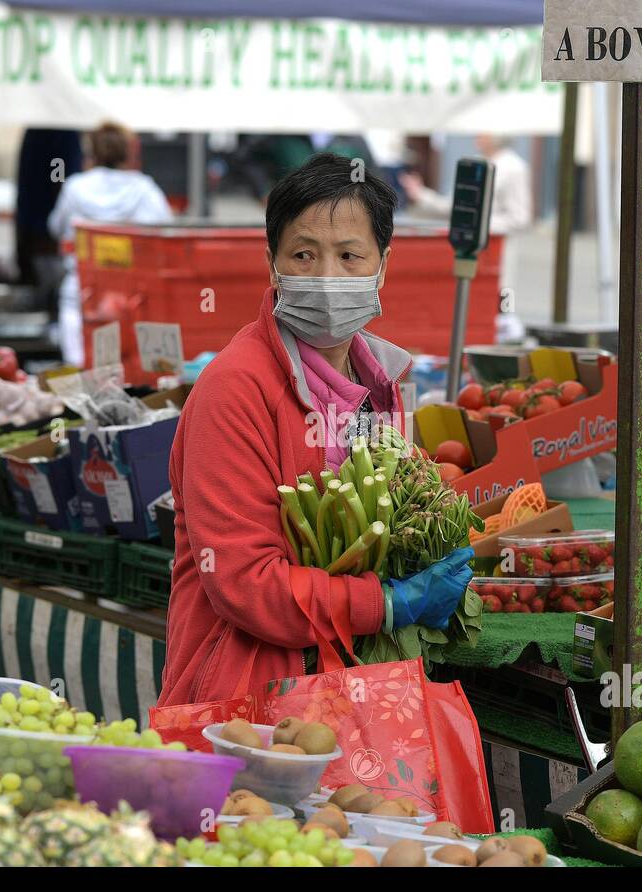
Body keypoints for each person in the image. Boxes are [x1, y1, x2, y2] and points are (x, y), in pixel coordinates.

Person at [159, 153, 474, 706]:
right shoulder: (234, 389)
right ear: (273, 263)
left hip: (350, 686)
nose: (327, 275)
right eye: (303, 254)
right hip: (249, 696)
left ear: (382, 264)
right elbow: (244, 583)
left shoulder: (379, 380)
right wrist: (389, 604)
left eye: (350, 255)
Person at [47, 123, 173, 366]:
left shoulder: (74, 187)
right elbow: (165, 232)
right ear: (129, 152)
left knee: (80, 375)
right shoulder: (145, 189)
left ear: (91, 151)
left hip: (82, 294)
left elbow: (55, 228)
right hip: (132, 300)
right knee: (131, 377)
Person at [400, 135, 534, 340]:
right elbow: (454, 206)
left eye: (483, 131)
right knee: (468, 302)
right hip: (467, 248)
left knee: (501, 299)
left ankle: (502, 338)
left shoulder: (514, 167)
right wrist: (422, 195)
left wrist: (476, 224)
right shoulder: (476, 162)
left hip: (497, 250)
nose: (477, 135)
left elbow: (519, 218)